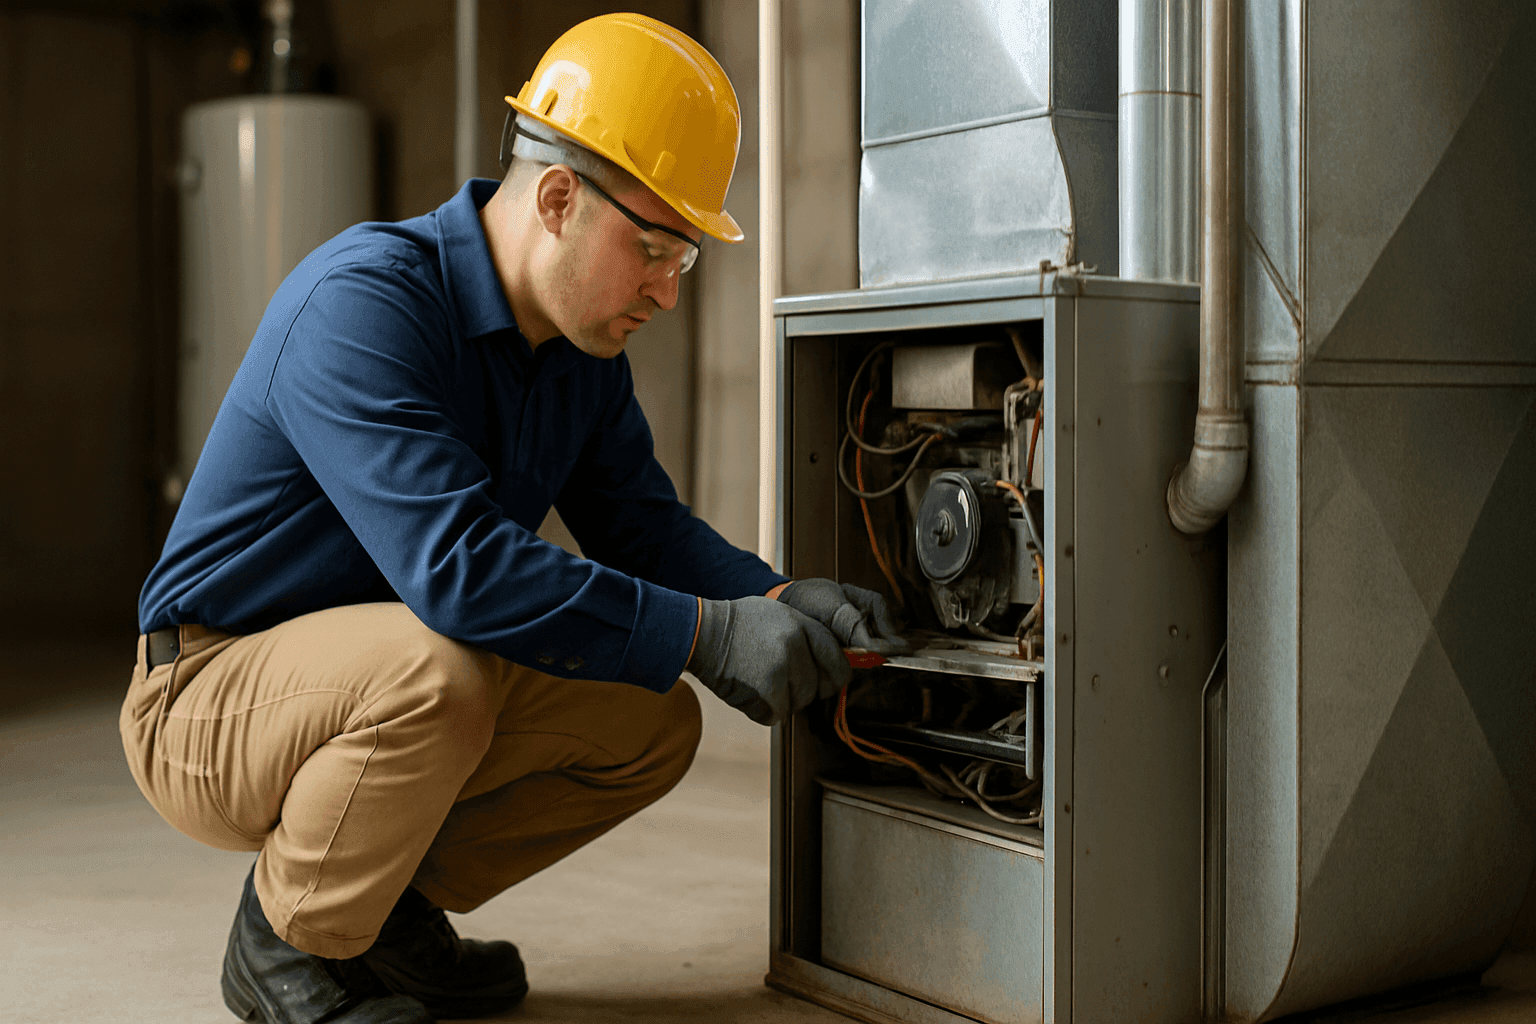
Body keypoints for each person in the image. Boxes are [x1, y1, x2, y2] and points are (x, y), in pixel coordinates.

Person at [120, 13, 908, 1024]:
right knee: (439, 672)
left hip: (374, 679)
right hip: (206, 689)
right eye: (656, 246)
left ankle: (381, 909)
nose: (667, 290)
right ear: (556, 198)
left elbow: (646, 531)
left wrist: (777, 595)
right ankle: (285, 944)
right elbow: (458, 570)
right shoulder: (364, 305)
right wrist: (707, 634)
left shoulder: (582, 363)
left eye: (687, 258)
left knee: (649, 720)